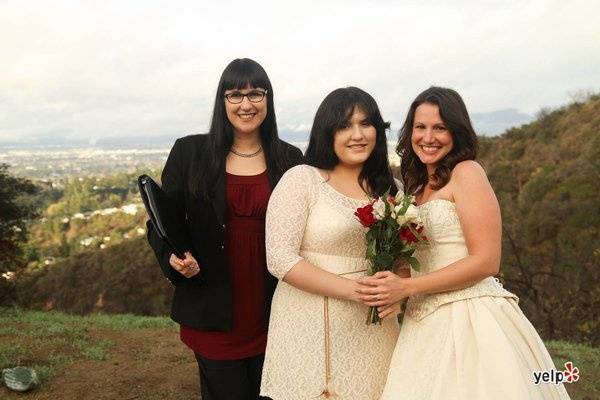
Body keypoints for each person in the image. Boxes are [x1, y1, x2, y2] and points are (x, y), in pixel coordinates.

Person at [357, 86, 571, 399]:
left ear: (456, 132)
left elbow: (486, 261)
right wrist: (392, 289)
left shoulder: (467, 172)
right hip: (422, 325)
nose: (428, 137)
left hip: (471, 317)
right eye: (421, 127)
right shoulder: (413, 191)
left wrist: (408, 288)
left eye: (440, 128)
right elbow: (413, 262)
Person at [146, 58, 303, 400]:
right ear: (222, 101)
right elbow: (161, 224)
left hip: (274, 308)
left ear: (268, 99)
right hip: (212, 305)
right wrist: (174, 257)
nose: (246, 104)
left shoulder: (290, 159)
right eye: (235, 95)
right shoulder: (190, 152)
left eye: (255, 93)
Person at [260, 87, 404, 400]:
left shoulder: (394, 191)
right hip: (309, 324)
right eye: (344, 126)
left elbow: (404, 261)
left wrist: (399, 291)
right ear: (327, 133)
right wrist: (355, 290)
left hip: (374, 331)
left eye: (366, 124)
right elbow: (279, 258)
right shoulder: (302, 179)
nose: (358, 135)